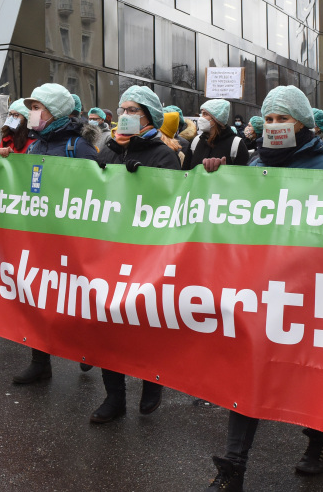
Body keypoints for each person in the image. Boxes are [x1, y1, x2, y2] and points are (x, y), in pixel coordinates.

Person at [207, 85, 323, 491]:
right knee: (247, 376)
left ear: (302, 123)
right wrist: (217, 178)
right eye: (267, 119)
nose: (273, 126)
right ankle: (233, 467)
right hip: (256, 292)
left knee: (305, 376)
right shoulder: (251, 167)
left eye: (282, 119)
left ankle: (319, 438)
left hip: (303, 294)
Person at [92, 85, 181, 423]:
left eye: (133, 110)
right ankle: (114, 397)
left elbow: (171, 204)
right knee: (108, 325)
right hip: (111, 250)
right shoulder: (109, 150)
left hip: (146, 253)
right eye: (123, 109)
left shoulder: (163, 155)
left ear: (149, 117)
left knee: (142, 321)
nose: (126, 116)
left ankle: (151, 380)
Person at [5, 84, 101, 382]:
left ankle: (90, 349)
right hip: (41, 236)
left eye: (37, 108)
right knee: (39, 296)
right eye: (31, 108)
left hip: (72, 238)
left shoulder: (78, 145)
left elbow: (99, 191)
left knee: (76, 298)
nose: (31, 114)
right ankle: (40, 360)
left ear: (55, 111)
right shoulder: (36, 144)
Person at [185, 99, 249, 170]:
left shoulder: (236, 144)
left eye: (205, 114)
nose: (201, 118)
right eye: (201, 114)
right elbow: (185, 174)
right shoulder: (196, 141)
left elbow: (241, 177)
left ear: (217, 119)